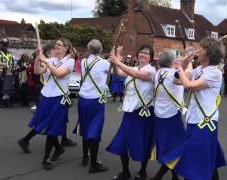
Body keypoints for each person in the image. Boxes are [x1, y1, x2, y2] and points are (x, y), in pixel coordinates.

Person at [160, 37, 227, 180]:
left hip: (205, 122)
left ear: (209, 53)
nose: (198, 50)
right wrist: (184, 63)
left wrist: (179, 68)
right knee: (206, 155)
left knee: (194, 158)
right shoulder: (199, 70)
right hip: (194, 119)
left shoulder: (214, 73)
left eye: (202, 48)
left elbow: (189, 86)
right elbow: (176, 80)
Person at [18, 38, 75, 170]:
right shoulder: (52, 59)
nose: (56, 46)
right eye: (56, 44)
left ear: (66, 48)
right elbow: (38, 71)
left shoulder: (70, 61)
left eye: (59, 45)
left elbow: (59, 73)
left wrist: (46, 60)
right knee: (45, 124)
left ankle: (46, 159)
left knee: (53, 128)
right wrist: (38, 58)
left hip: (59, 98)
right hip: (46, 96)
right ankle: (58, 149)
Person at [107, 45, 156, 180]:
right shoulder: (133, 68)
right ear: (137, 54)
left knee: (142, 142)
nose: (143, 54)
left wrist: (118, 61)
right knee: (123, 141)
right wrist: (115, 59)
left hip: (144, 113)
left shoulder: (151, 71)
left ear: (150, 57)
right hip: (129, 112)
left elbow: (136, 75)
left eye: (146, 53)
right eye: (141, 52)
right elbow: (118, 73)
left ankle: (143, 171)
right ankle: (125, 171)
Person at [148, 50, 185, 180]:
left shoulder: (158, 73)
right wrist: (187, 63)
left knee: (167, 145)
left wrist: (182, 62)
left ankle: (174, 176)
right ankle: (158, 176)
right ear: (172, 61)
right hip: (172, 114)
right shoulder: (174, 74)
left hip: (159, 114)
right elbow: (185, 77)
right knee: (177, 146)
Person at [73, 39, 109, 173]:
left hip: (83, 98)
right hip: (96, 100)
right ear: (100, 50)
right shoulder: (105, 63)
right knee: (95, 130)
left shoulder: (83, 62)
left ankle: (84, 156)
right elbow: (111, 73)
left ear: (88, 49)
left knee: (85, 126)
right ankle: (93, 164)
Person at [0, 38, 14, 108]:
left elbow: (12, 63)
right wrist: (2, 65)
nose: (5, 46)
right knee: (0, 89)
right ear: (1, 45)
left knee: (8, 89)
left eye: (6, 44)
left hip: (8, 73)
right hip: (0, 73)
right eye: (4, 44)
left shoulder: (10, 53)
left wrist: (11, 67)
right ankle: (1, 103)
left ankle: (7, 102)